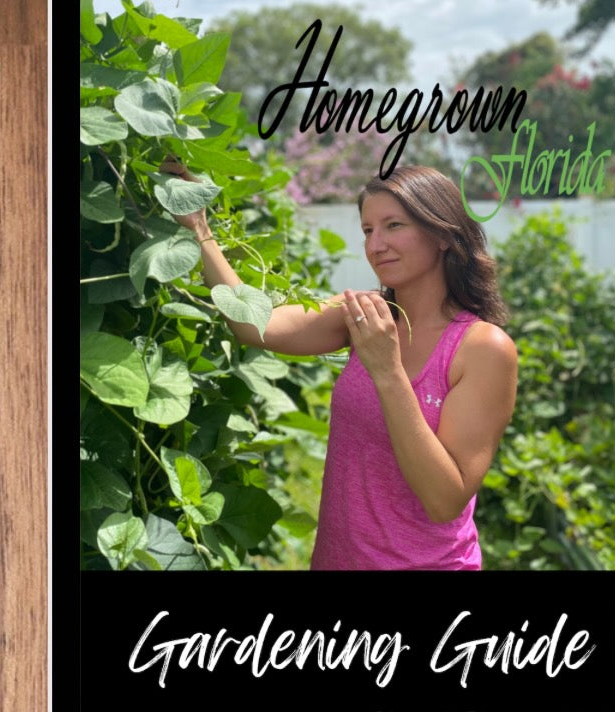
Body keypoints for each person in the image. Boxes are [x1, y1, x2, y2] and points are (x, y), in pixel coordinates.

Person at [163, 160, 518, 570]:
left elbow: (444, 500)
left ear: (441, 233)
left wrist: (387, 371)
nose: (375, 244)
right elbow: (254, 326)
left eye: (394, 226)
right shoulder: (365, 315)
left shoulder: (482, 348)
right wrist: (198, 228)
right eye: (368, 230)